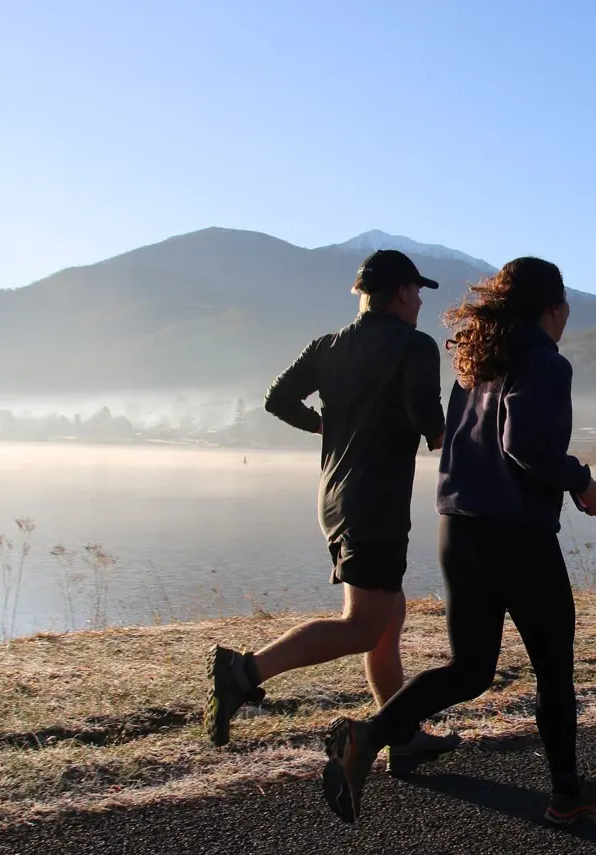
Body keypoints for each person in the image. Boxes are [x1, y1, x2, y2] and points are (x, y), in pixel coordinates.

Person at [321, 256, 596, 827]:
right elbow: (525, 444)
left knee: (471, 669)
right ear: (553, 307)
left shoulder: (477, 361)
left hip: (458, 531)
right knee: (554, 669)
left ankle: (368, 736)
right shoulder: (544, 362)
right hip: (517, 539)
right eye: (566, 306)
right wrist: (583, 483)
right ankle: (565, 791)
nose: (568, 317)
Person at [204, 249, 459, 775]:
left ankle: (400, 733)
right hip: (377, 505)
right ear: (401, 293)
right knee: (365, 625)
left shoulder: (328, 346)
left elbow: (277, 398)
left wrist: (325, 427)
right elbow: (427, 419)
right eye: (417, 292)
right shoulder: (415, 346)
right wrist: (458, 427)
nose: (419, 303)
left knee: (389, 618)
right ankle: (244, 671)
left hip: (338, 498)